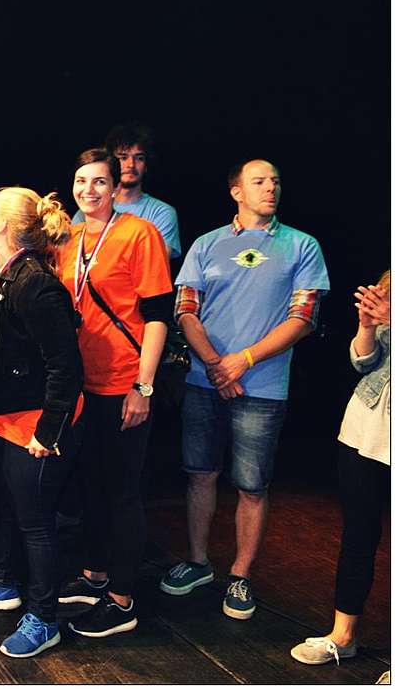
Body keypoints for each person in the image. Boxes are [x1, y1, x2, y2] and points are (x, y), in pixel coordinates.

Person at [161, 159, 330, 620]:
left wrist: (244, 360)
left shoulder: (301, 245)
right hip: (205, 380)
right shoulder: (206, 244)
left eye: (275, 180)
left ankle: (240, 574)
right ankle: (198, 562)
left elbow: (303, 318)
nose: (270, 187)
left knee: (252, 484)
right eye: (259, 181)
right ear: (236, 191)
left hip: (264, 386)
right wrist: (218, 365)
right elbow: (185, 311)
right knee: (200, 473)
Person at [0, 188, 83, 658]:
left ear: (3, 226)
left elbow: (65, 367)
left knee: (36, 523)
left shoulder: (36, 283)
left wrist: (48, 431)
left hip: (33, 425)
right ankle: (2, 582)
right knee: (3, 507)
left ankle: (44, 618)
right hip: (0, 420)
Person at [55, 147, 173, 638]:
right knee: (90, 485)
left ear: (115, 187)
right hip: (82, 385)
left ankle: (122, 600)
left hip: (125, 381)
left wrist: (143, 386)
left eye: (99, 181)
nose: (89, 190)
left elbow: (159, 316)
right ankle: (95, 574)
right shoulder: (68, 238)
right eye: (81, 181)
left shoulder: (139, 233)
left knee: (122, 491)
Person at [291, 271, 390, 666]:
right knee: (358, 537)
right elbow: (364, 361)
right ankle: (343, 636)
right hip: (366, 429)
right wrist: (367, 326)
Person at [72, 123, 181, 261]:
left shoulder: (161, 212)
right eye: (123, 157)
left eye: (139, 158)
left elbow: (155, 262)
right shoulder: (86, 210)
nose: (131, 164)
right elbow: (74, 260)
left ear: (146, 165)